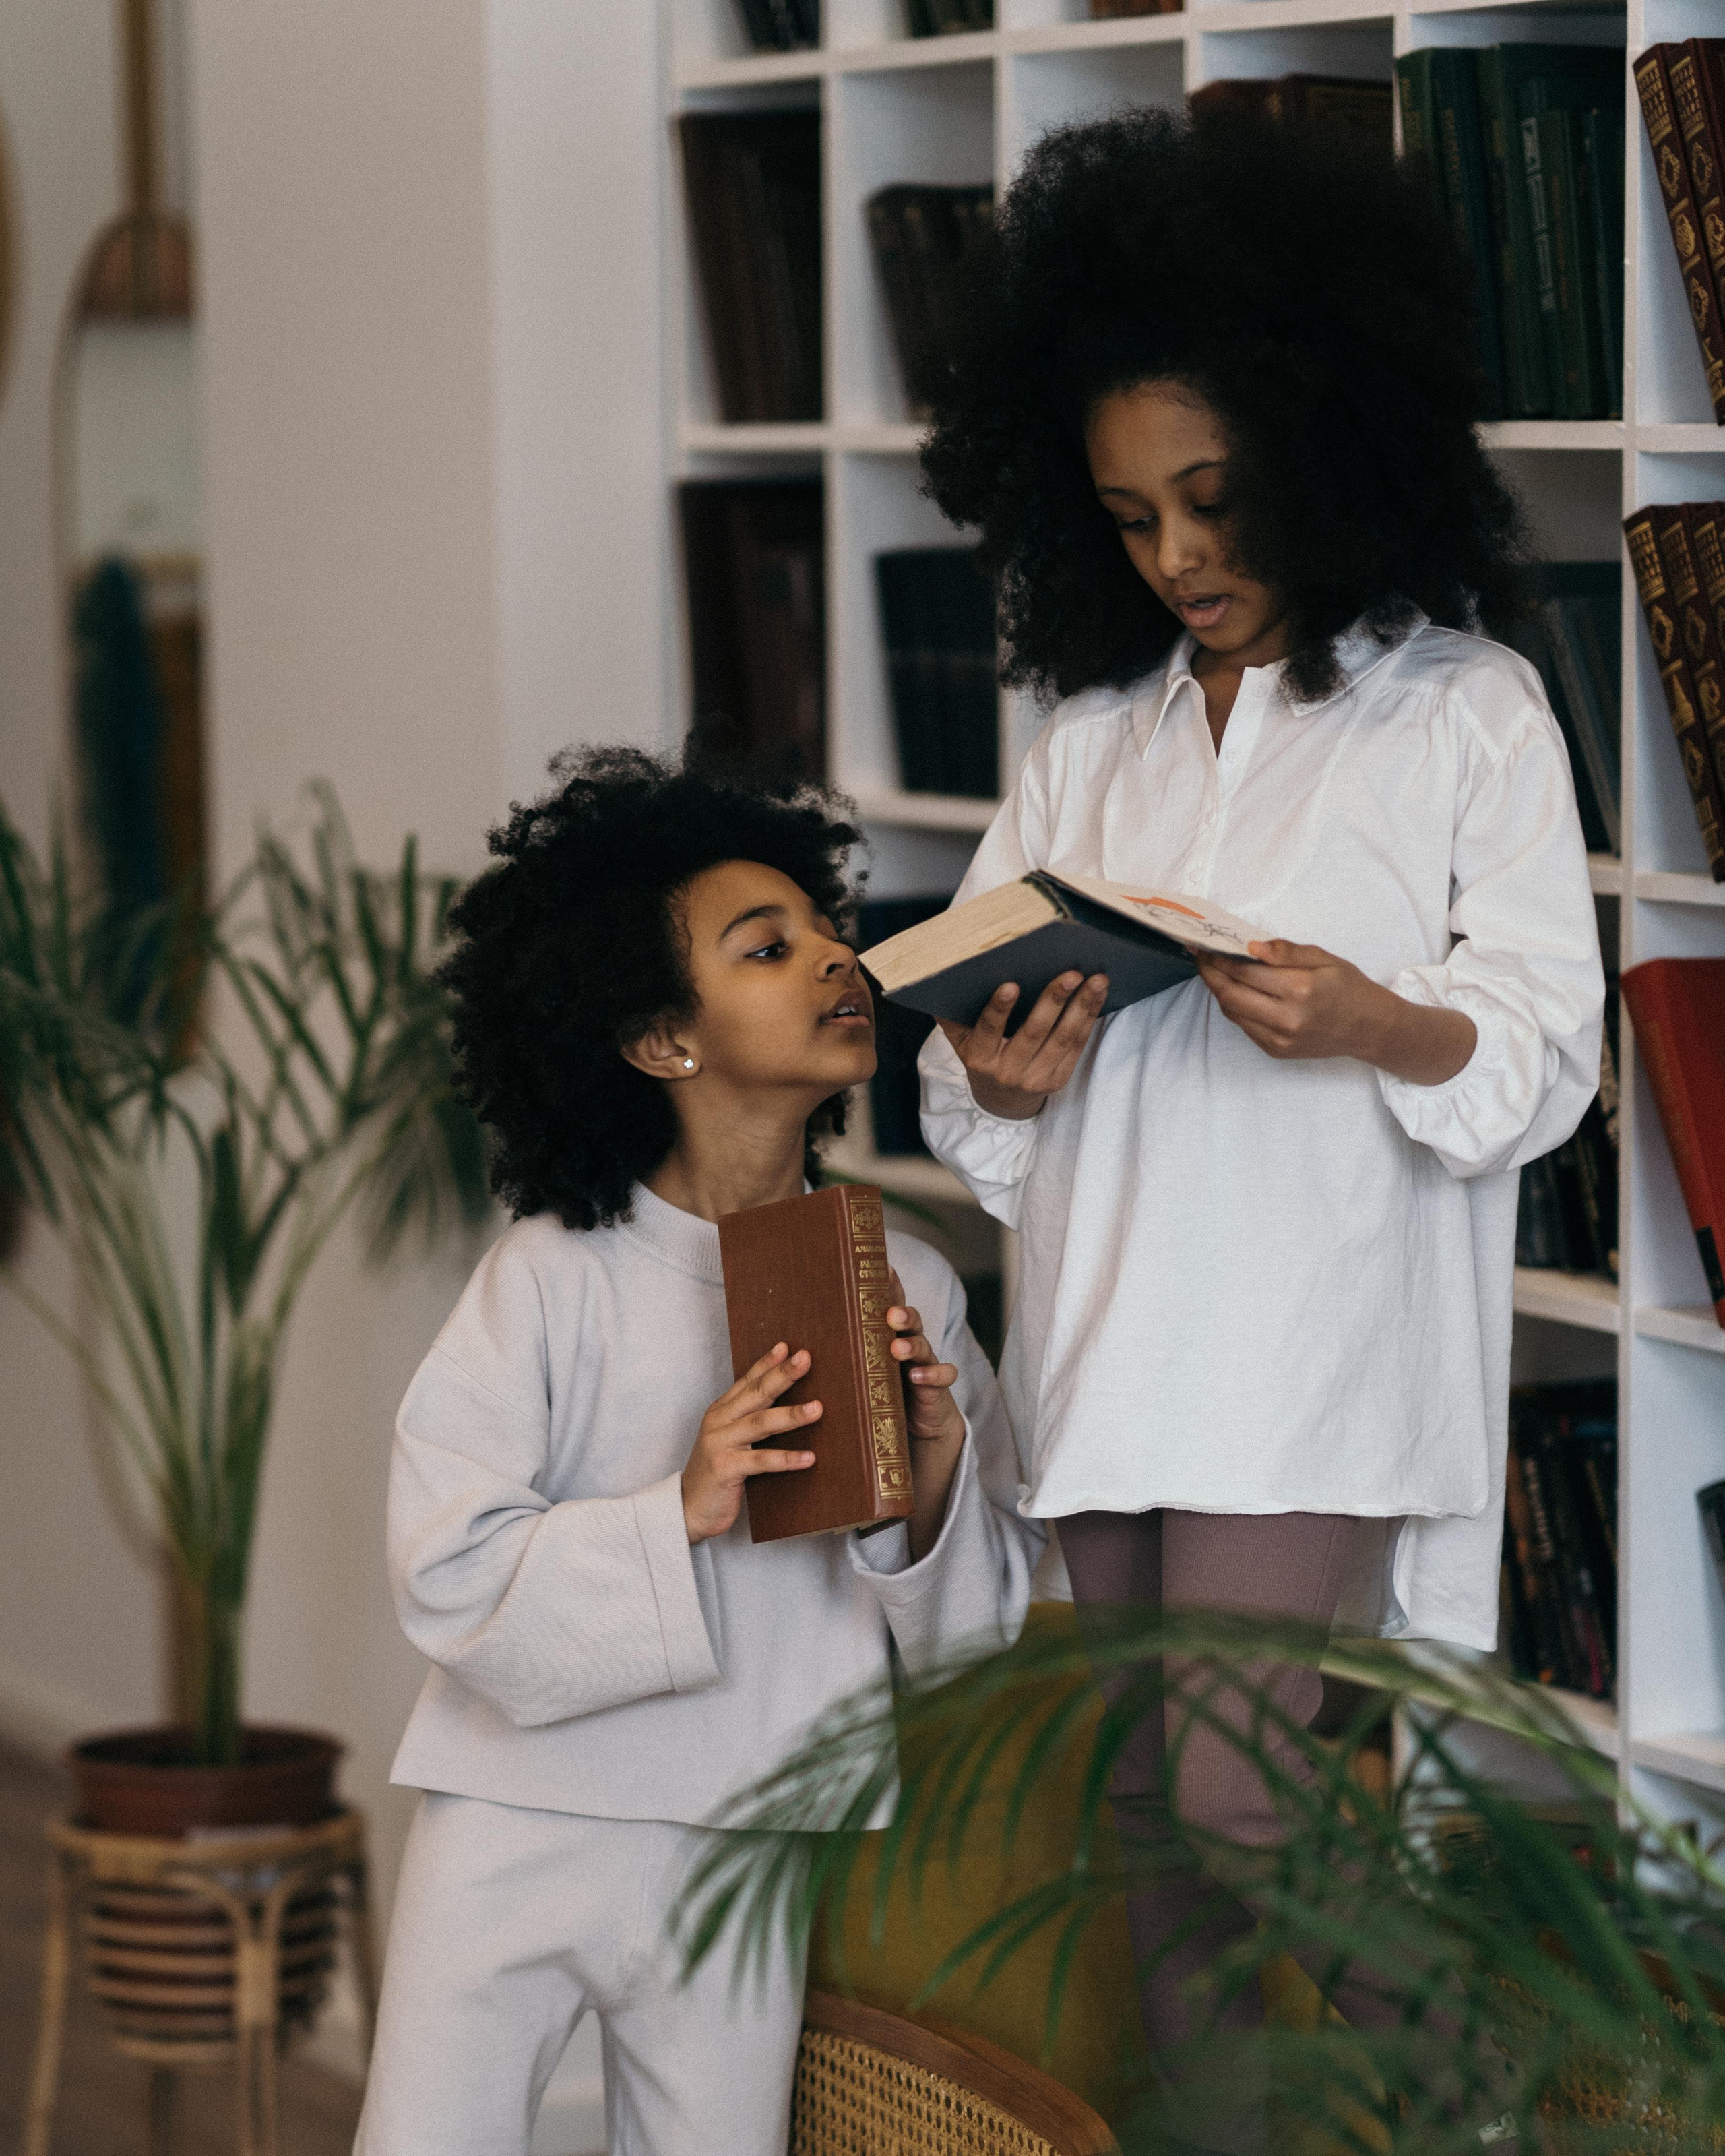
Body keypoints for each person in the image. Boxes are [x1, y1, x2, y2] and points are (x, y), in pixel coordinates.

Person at [913, 104, 1604, 2147]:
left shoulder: (1466, 709)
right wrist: (1000, 1083)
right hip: (1113, 1334)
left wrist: (1382, 1023)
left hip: (1309, 1346)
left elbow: (1543, 1059)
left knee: (1230, 1793)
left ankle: (1491, 2100)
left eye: (1215, 498)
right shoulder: (1087, 744)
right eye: (1130, 518)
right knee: (1151, 1835)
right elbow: (987, 1089)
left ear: (1324, 440)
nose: (1182, 557)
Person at [354, 748, 1040, 2156]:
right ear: (662, 1036)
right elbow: (442, 1567)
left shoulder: (906, 1278)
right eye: (767, 946)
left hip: (753, 1834)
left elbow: (995, 1633)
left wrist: (924, 1482)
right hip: (515, 1816)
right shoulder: (549, 1276)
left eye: (828, 931)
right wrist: (678, 1507)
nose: (835, 959)